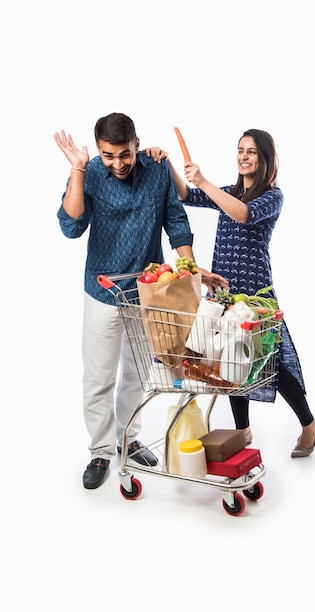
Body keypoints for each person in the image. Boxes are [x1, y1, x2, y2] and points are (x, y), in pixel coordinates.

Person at [54, 112, 228, 490]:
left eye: (124, 154)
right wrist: (78, 170)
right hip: (102, 292)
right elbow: (71, 226)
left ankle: (128, 440)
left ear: (136, 144)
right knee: (99, 378)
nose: (117, 163)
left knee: (136, 377)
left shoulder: (157, 168)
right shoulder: (92, 172)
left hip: (149, 294)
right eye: (108, 155)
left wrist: (191, 270)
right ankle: (100, 451)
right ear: (100, 151)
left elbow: (175, 221)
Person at [148, 129, 315, 457]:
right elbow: (185, 194)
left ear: (265, 158)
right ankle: (242, 429)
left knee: (270, 361)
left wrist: (204, 181)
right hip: (225, 291)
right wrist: (170, 161)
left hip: (255, 291)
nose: (243, 156)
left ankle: (309, 425)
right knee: (229, 361)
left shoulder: (272, 196)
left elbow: (243, 214)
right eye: (240, 150)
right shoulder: (227, 191)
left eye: (252, 151)